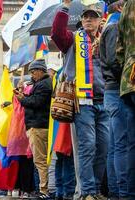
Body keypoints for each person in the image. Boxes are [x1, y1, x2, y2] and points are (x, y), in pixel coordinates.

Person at [51, 1, 109, 199]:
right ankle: (88, 192)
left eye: (93, 17)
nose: (88, 20)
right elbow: (57, 33)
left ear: (101, 20)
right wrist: (65, 7)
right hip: (82, 102)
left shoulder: (105, 40)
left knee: (104, 147)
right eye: (85, 17)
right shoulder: (73, 39)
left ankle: (96, 188)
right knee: (88, 146)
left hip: (104, 101)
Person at [99, 1, 127, 199]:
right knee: (120, 144)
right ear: (119, 7)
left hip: (112, 91)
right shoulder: (115, 26)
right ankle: (120, 192)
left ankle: (116, 191)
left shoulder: (110, 25)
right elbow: (113, 61)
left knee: (116, 144)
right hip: (116, 90)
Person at [15, 59, 53, 200]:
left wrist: (21, 99)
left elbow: (36, 102)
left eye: (33, 72)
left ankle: (44, 190)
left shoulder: (44, 84)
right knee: (40, 161)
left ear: (40, 70)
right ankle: (42, 189)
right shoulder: (40, 83)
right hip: (37, 125)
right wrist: (23, 96)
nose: (32, 75)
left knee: (40, 161)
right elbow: (33, 99)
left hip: (39, 127)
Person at [116, 0, 135, 198]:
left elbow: (119, 48)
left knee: (131, 143)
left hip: (128, 83)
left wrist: (128, 66)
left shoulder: (128, 5)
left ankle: (128, 194)